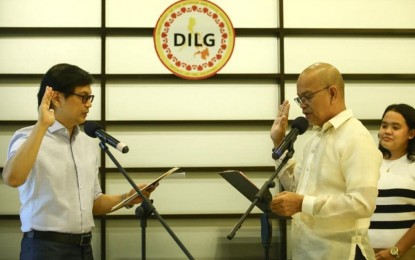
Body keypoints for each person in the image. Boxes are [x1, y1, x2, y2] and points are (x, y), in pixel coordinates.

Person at [1, 63, 155, 260]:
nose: (89, 104)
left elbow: (94, 203)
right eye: (83, 97)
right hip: (44, 248)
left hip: (84, 248)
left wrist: (126, 197)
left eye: (90, 98)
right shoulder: (27, 137)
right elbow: (12, 178)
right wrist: (42, 126)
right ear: (56, 98)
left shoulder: (86, 142)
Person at [269, 62, 382, 260]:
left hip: (341, 252)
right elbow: (297, 188)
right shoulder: (315, 139)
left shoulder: (356, 136)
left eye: (308, 97)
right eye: (300, 98)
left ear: (332, 93)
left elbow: (362, 203)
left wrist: (302, 203)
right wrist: (278, 141)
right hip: (308, 250)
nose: (303, 105)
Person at [368, 104, 415, 260]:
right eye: (384, 125)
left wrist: (396, 251)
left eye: (395, 127)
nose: (387, 131)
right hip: (364, 253)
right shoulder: (367, 164)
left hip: (405, 254)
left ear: (411, 133)